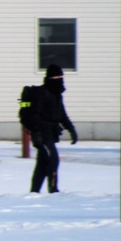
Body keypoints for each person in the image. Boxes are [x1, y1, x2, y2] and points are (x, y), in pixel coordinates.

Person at [28, 64, 77, 193]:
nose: (59, 79)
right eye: (56, 76)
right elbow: (35, 115)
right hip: (42, 133)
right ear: (49, 77)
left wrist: (71, 129)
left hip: (51, 132)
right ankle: (53, 189)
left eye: (61, 76)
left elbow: (62, 115)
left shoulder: (57, 95)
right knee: (53, 158)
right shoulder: (41, 93)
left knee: (43, 163)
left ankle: (34, 191)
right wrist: (36, 134)